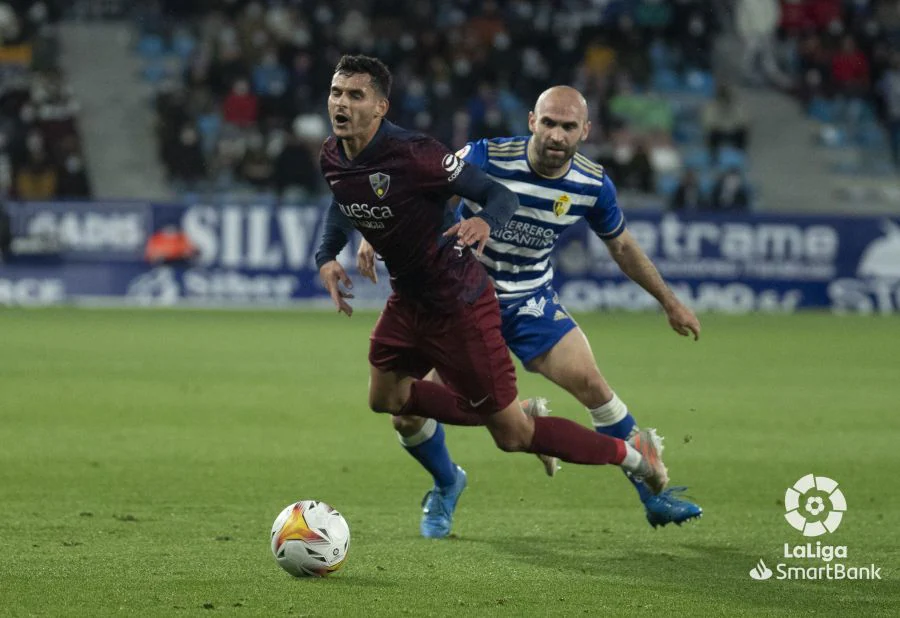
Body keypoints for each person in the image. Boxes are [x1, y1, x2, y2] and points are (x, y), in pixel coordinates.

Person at [315, 55, 668, 540]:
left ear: (380, 107)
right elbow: (344, 197)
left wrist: (485, 220)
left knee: (514, 437)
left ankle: (633, 456)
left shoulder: (418, 153)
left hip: (460, 302)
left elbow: (502, 198)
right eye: (337, 92)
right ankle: (453, 475)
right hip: (410, 301)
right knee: (388, 402)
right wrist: (326, 256)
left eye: (355, 95)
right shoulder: (333, 154)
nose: (341, 103)